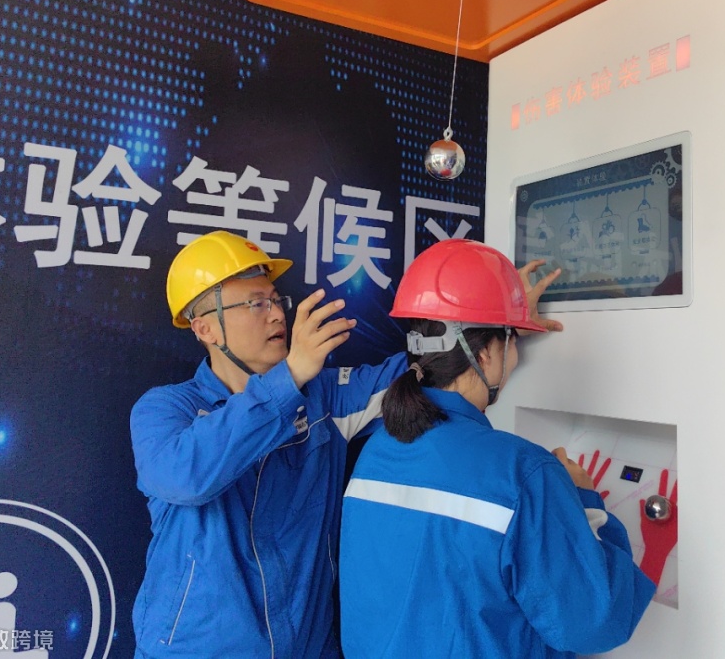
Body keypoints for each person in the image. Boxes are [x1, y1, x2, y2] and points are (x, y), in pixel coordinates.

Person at [339, 238, 662, 658]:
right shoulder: (523, 472)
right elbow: (597, 622)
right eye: (512, 339)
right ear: (486, 353)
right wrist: (584, 500)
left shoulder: (378, 449)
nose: (516, 352)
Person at [129, 230, 406, 659]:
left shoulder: (321, 395)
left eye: (277, 301)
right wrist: (288, 379)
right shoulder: (165, 409)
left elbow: (420, 376)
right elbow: (186, 477)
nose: (277, 314)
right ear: (205, 328)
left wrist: (478, 322)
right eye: (256, 304)